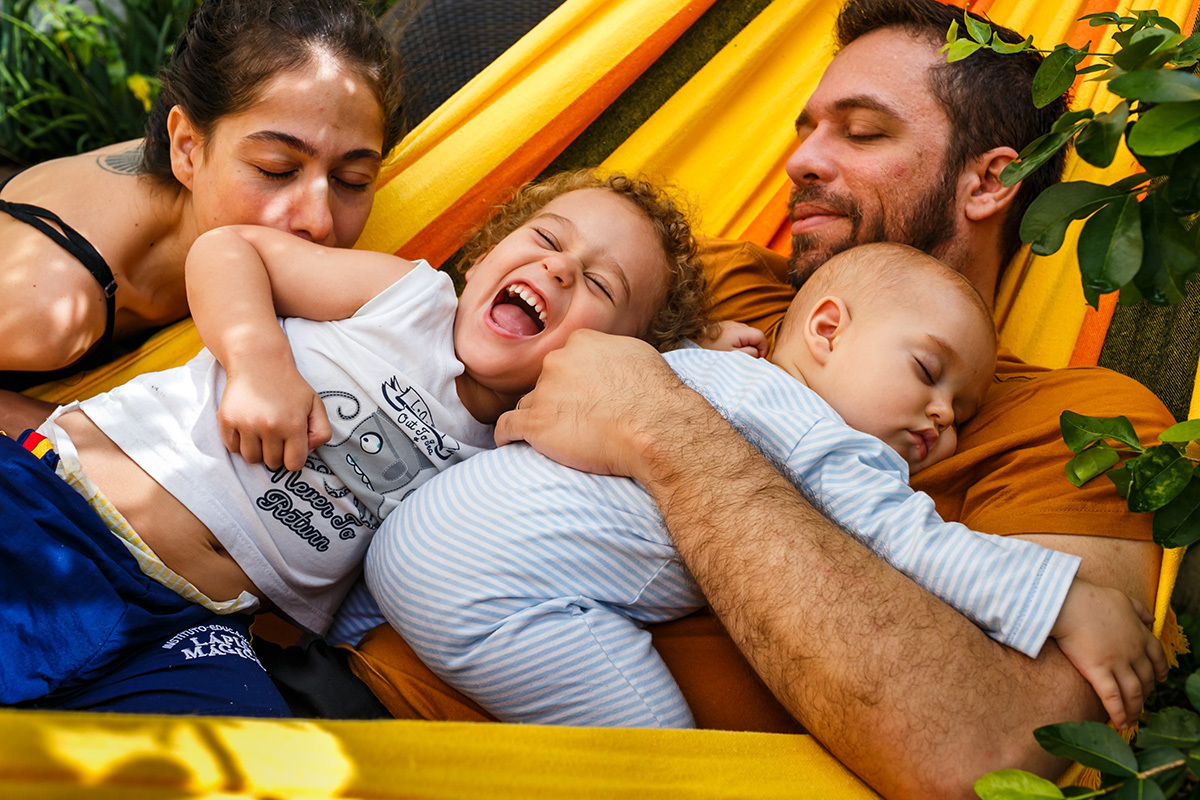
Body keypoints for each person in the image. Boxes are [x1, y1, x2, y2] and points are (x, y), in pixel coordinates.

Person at [471, 1, 1177, 797]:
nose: (802, 159)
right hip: (342, 626)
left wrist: (658, 421)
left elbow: (982, 756)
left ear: (990, 180)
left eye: (862, 131)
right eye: (804, 129)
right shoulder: (708, 277)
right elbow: (463, 307)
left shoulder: (1076, 423)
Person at [366, 243, 1164, 731]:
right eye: (926, 372)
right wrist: (1063, 601)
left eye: (960, 413)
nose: (939, 418)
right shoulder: (824, 442)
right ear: (824, 330)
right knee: (661, 756)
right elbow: (912, 543)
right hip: (495, 594)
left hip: (403, 540)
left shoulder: (708, 366)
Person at [0, 169, 710, 718]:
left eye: (597, 283)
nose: (559, 269)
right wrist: (257, 363)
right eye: (549, 241)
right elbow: (230, 248)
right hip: (63, 508)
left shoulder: (522, 456)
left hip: (187, 628)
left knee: (251, 753)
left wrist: (708, 359)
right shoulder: (408, 299)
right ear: (489, 253)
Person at [0, 0, 403, 397]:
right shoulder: (48, 306)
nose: (319, 221)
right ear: (186, 148)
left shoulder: (225, 152)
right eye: (276, 169)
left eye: (352, 180)